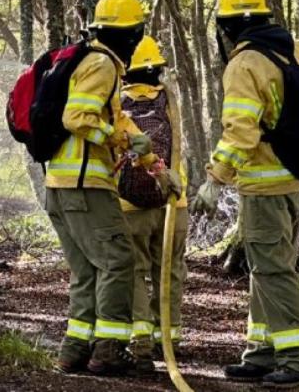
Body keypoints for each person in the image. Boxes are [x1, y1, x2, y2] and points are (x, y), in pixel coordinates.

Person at [191, 0, 299, 388]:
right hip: (292, 177)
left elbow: (241, 132)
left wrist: (214, 180)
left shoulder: (244, 64)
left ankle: (296, 357)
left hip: (264, 183)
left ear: (228, 27)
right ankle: (261, 352)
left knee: (273, 270)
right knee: (264, 268)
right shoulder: (290, 49)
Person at [47, 0, 160, 376]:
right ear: (130, 35)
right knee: (118, 260)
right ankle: (108, 348)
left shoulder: (90, 61)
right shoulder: (102, 65)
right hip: (86, 185)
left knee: (87, 269)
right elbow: (77, 118)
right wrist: (119, 141)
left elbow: (118, 122)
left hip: (61, 185)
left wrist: (154, 164)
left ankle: (74, 348)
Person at [116, 36, 187, 373]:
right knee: (169, 271)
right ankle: (169, 339)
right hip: (173, 199)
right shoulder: (171, 100)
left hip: (129, 205)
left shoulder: (116, 104)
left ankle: (140, 342)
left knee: (134, 272)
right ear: (156, 68)